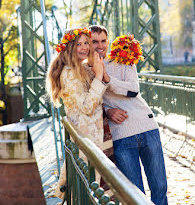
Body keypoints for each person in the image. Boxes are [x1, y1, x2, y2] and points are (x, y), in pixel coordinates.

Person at [89, 25, 168, 205]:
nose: (100, 46)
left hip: (147, 127)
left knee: (160, 188)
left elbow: (133, 90)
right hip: (121, 135)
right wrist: (108, 111)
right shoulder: (85, 71)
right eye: (94, 41)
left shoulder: (123, 58)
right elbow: (89, 105)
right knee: (135, 194)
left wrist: (107, 78)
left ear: (108, 42)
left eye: (103, 41)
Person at [46, 27, 107, 200]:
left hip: (88, 135)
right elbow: (88, 107)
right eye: (78, 44)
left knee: (90, 190)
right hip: (86, 137)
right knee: (88, 191)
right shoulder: (69, 73)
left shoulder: (79, 68)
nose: (84, 47)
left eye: (87, 43)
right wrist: (99, 75)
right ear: (70, 47)